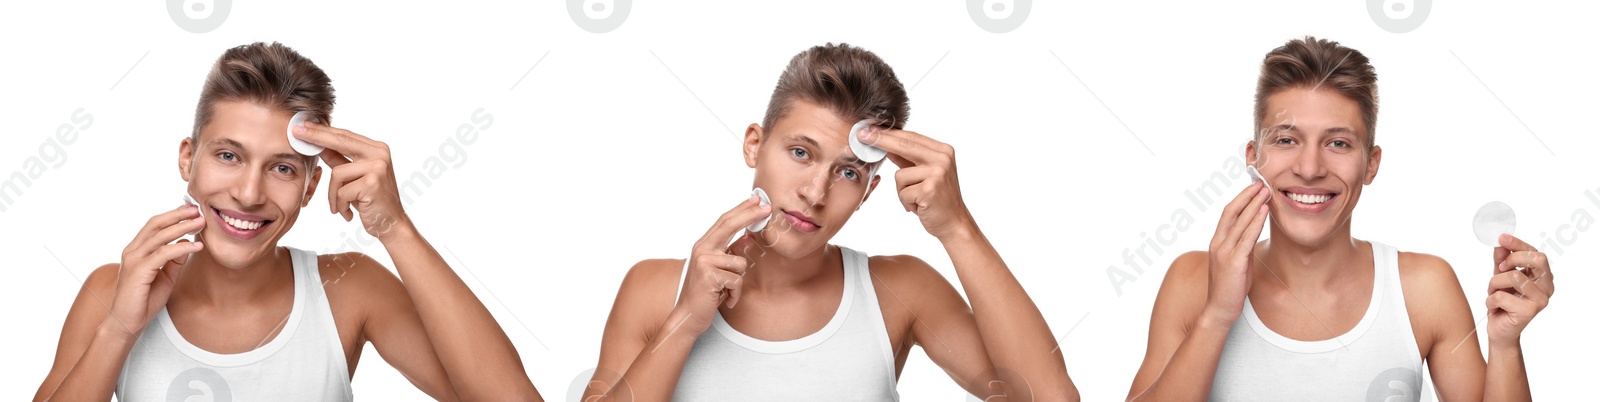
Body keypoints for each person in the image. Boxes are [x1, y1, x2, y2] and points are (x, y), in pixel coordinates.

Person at [33, 42, 542, 401]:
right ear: (188, 159)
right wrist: (121, 327)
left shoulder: (350, 289)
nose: (249, 193)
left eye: (281, 168)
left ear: (310, 187)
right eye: (229, 156)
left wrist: (396, 229)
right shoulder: (111, 291)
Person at [583, 43, 1078, 401]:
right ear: (755, 144)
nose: (815, 193)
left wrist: (958, 229)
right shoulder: (653, 290)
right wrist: (685, 322)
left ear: (869, 191)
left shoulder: (899, 290)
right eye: (800, 152)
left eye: (847, 172)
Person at [1126, 36, 1555, 401]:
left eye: (1338, 143)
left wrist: (1506, 345)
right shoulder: (1190, 281)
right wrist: (1217, 314)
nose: (1310, 168)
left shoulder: (1424, 289)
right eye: (1287, 139)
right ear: (1253, 158)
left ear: (1371, 164)